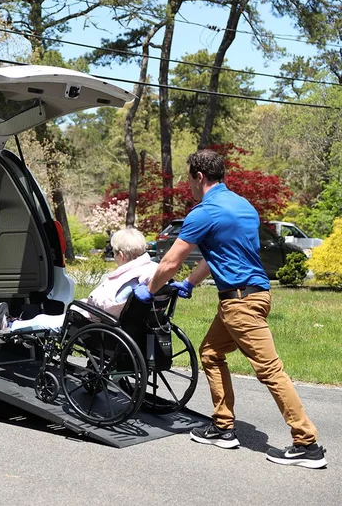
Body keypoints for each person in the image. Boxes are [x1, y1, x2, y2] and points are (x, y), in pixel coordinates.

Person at [134, 149, 326, 469]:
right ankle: (223, 428)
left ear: (199, 176)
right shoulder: (243, 206)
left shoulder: (204, 211)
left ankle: (306, 443)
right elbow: (218, 254)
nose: (189, 187)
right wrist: (192, 283)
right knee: (210, 352)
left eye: (189, 179)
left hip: (240, 303)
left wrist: (148, 290)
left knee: (270, 371)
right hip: (254, 296)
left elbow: (170, 262)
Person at [0, 227, 156, 337]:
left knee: (43, 320)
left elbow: (111, 307)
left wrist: (91, 300)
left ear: (121, 255)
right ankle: (22, 328)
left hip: (95, 322)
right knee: (50, 319)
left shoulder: (129, 278)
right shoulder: (149, 270)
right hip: (126, 326)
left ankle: (10, 326)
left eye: (113, 252)